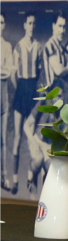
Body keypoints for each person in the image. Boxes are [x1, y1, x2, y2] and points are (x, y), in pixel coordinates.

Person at [5, 11, 41, 195]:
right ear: (25, 25)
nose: (32, 26)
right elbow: (13, 74)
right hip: (22, 91)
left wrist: (33, 90)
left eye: (34, 23)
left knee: (31, 137)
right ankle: (15, 180)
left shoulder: (38, 47)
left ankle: (30, 178)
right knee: (18, 136)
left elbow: (40, 72)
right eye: (29, 23)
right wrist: (20, 88)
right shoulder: (18, 46)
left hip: (33, 92)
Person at [1, 12, 15, 189]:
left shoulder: (7, 46)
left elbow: (8, 72)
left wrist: (4, 69)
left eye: (1, 22)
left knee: (3, 139)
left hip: (3, 97)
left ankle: (3, 176)